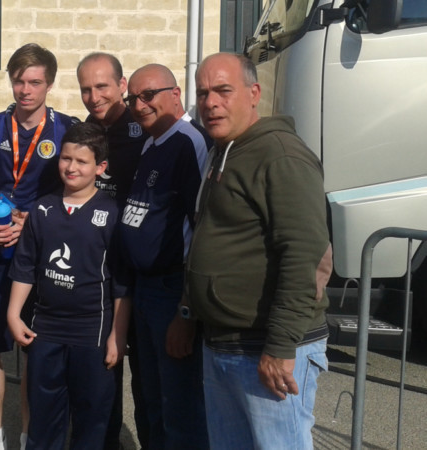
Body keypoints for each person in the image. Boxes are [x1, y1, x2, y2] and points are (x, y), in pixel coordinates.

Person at [174, 52, 330, 449]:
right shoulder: (223, 150)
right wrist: (188, 313)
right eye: (204, 92)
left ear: (254, 93)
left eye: (223, 91)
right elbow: (210, 243)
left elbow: (304, 255)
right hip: (223, 343)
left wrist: (280, 347)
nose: (211, 102)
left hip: (267, 349)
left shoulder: (281, 155)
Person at [0, 43, 77, 450]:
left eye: (35, 82)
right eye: (19, 80)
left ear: (50, 84)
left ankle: (30, 436)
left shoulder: (69, 129)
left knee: (36, 353)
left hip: (44, 258)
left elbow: (78, 191)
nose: (25, 90)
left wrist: (40, 219)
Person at [7, 122, 129, 449]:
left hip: (93, 334)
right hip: (46, 330)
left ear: (100, 168)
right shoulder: (42, 209)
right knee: (44, 419)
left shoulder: (112, 213)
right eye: (66, 159)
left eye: (82, 161)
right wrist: (14, 314)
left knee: (91, 421)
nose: (71, 167)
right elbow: (25, 267)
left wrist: (117, 336)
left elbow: (120, 283)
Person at [118, 63, 210, 449]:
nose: (139, 105)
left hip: (171, 292)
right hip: (144, 291)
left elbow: (203, 232)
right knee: (150, 399)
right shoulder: (152, 142)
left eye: (148, 95)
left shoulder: (189, 142)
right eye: (133, 98)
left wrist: (185, 312)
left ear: (175, 94)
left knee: (179, 406)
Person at [76, 52, 150, 449]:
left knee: (149, 375)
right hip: (102, 265)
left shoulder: (144, 124)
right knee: (106, 364)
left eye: (102, 86)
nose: (93, 96)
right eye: (86, 89)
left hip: (144, 264)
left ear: (122, 85)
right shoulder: (84, 130)